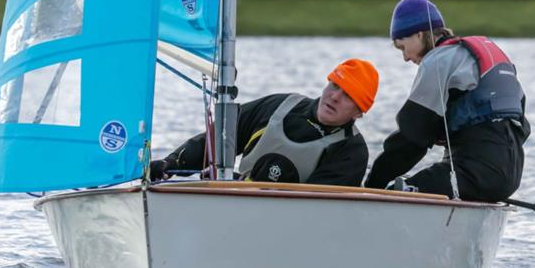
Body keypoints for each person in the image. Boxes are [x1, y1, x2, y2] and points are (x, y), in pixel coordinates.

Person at [364, 0, 530, 202]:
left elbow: (411, 139)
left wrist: (372, 186)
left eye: (402, 46)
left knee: (396, 191)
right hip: (510, 175)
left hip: (474, 172)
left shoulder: (438, 61)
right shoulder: (486, 60)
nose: (405, 57)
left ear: (418, 34)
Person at [151, 58, 379, 186]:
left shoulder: (352, 152)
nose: (335, 97)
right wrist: (171, 163)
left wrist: (251, 185)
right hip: (232, 206)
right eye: (334, 85)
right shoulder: (280, 106)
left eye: (348, 96)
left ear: (359, 112)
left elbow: (316, 210)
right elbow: (221, 136)